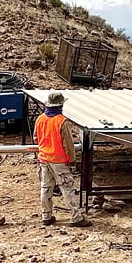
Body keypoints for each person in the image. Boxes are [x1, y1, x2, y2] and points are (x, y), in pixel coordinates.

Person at [34, 91, 91, 227]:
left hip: (44, 159)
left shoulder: (40, 119)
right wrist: (72, 161)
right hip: (59, 161)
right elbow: (68, 145)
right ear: (60, 105)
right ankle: (76, 217)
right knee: (67, 188)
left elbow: (36, 138)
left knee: (46, 188)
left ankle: (46, 215)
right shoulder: (62, 121)